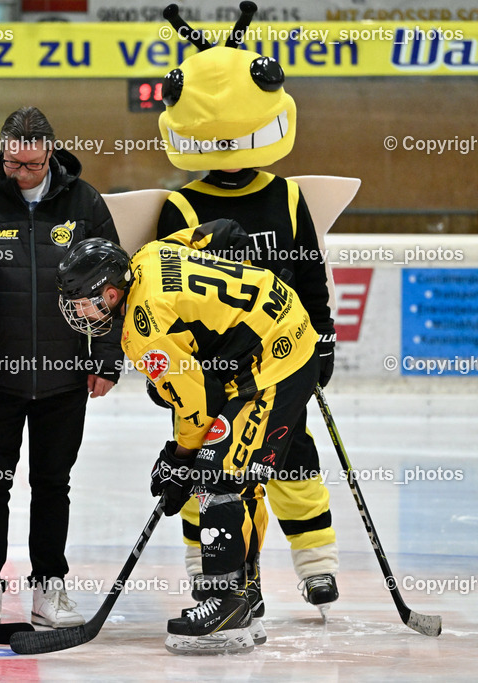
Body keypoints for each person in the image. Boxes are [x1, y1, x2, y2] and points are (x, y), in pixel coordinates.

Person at [56, 222, 321, 654]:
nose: (77, 313)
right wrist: (263, 275)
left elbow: (196, 408)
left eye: (82, 302)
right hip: (274, 330)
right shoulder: (146, 255)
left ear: (110, 294)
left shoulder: (145, 331)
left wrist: (180, 460)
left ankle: (225, 602)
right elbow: (221, 232)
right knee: (238, 476)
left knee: (216, 474)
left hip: (275, 361)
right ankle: (243, 594)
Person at [154, 2, 339, 616]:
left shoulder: (287, 195)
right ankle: (225, 581)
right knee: (213, 476)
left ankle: (316, 566)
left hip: (280, 361)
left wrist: (326, 340)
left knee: (292, 460)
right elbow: (167, 297)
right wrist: (172, 380)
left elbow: (311, 273)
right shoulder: (179, 206)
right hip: (210, 374)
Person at [0, 106, 124, 629]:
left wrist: (106, 357)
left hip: (66, 373)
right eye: (10, 162)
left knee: (52, 484)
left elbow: (113, 284)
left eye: (28, 164)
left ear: (49, 153)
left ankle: (49, 586)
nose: (17, 172)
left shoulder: (85, 202)